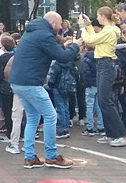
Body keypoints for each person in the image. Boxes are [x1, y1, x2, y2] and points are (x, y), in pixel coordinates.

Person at [8, 12, 77, 168]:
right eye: (59, 24)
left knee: (33, 117)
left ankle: (30, 157)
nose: (60, 28)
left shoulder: (34, 31)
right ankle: (52, 156)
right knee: (51, 115)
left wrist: (62, 47)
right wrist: (77, 46)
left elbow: (52, 52)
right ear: (53, 23)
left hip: (17, 81)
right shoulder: (45, 35)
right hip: (30, 83)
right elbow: (63, 58)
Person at [77, 7, 126, 147]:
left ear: (103, 16)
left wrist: (82, 27)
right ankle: (111, 133)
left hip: (105, 64)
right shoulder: (111, 30)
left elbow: (90, 40)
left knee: (105, 101)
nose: (97, 19)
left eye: (98, 16)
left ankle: (121, 134)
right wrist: (88, 25)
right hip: (104, 64)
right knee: (103, 100)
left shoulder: (108, 31)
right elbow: (95, 37)